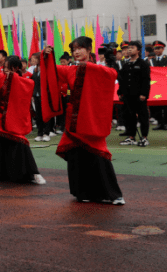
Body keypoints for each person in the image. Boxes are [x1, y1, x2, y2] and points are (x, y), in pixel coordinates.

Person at [41, 38, 124, 205]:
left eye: (80, 48)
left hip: (92, 119)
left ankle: (113, 194)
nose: (77, 52)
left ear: (89, 50)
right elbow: (50, 71)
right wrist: (46, 56)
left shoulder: (100, 69)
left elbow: (113, 75)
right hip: (74, 121)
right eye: (74, 50)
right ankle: (82, 192)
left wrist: (89, 67)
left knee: (100, 157)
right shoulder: (70, 70)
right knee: (76, 156)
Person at [0, 56, 45, 184]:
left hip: (13, 119)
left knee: (20, 143)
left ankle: (33, 173)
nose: (5, 70)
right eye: (4, 67)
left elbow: (28, 87)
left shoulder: (23, 81)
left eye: (8, 67)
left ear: (16, 68)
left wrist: (12, 77)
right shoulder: (1, 77)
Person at [118, 41, 150, 147]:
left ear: (138, 50)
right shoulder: (126, 64)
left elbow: (146, 80)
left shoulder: (143, 64)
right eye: (128, 48)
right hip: (127, 95)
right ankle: (131, 137)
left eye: (132, 47)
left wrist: (144, 94)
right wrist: (120, 92)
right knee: (129, 116)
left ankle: (144, 138)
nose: (129, 49)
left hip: (139, 96)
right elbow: (122, 80)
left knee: (142, 116)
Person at [150, 40, 167, 130]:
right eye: (155, 48)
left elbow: (166, 71)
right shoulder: (151, 60)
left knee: (165, 105)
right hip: (155, 85)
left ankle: (166, 123)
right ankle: (159, 122)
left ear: (163, 49)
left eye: (159, 48)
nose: (157, 50)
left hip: (165, 85)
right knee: (155, 105)